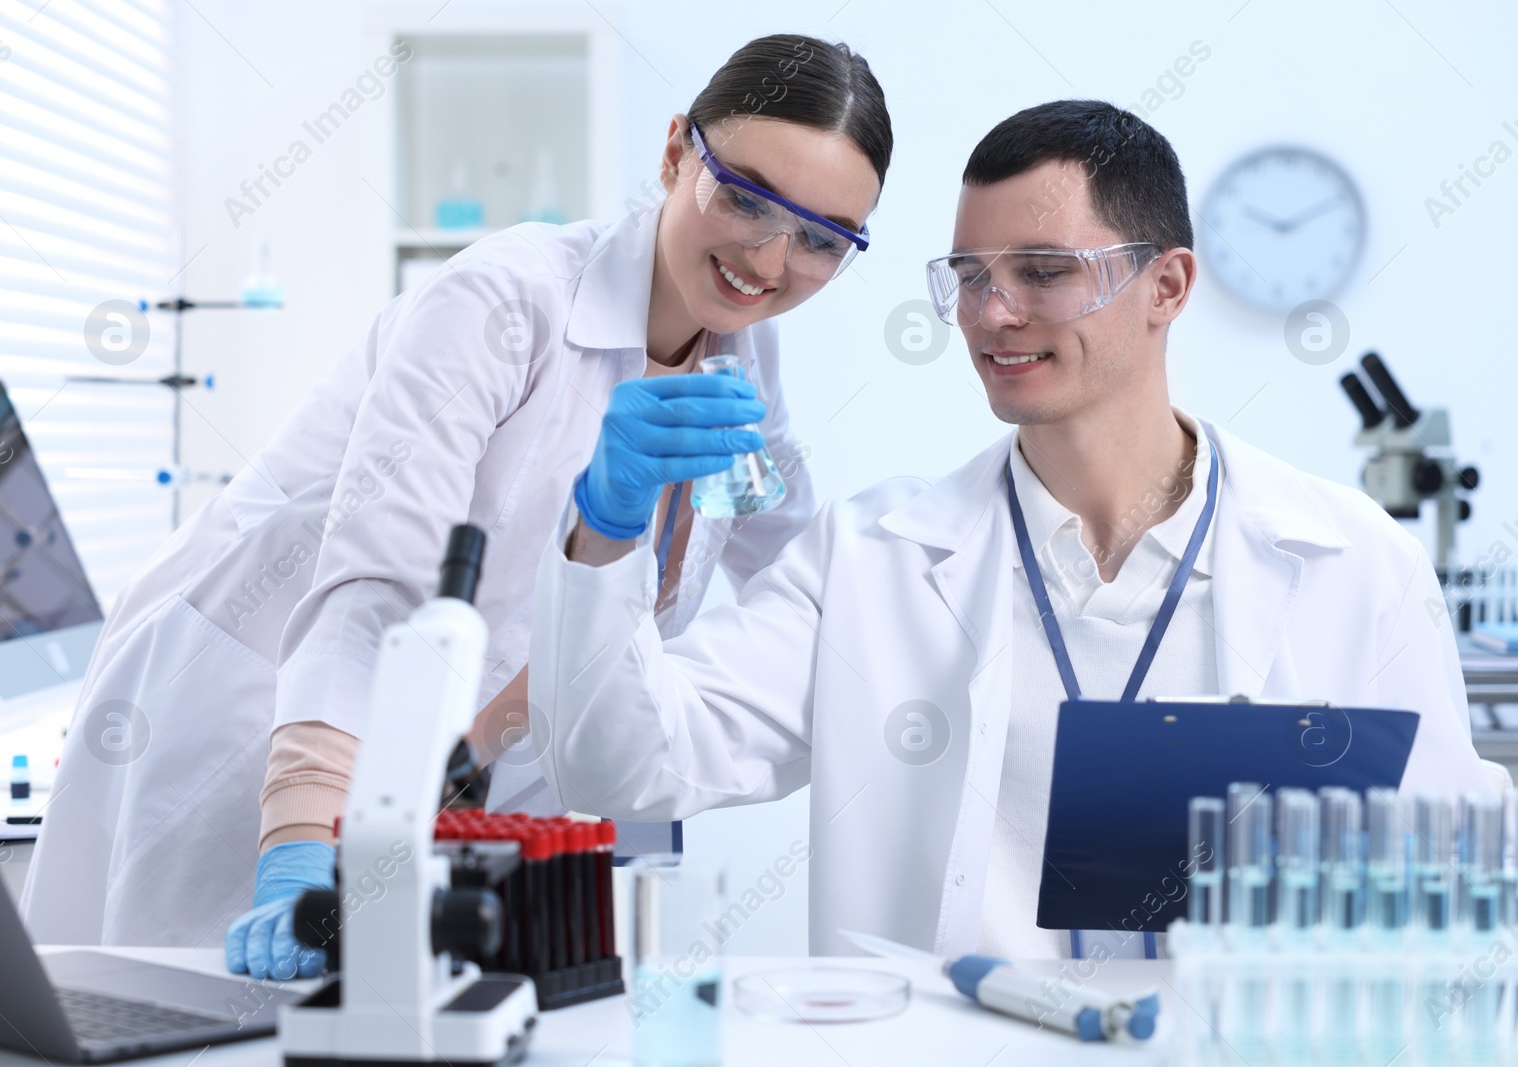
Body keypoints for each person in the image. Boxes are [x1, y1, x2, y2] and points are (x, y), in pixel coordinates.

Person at [531, 100, 1493, 961]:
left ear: (1167, 286)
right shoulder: (869, 559)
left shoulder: (1353, 560)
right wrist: (606, 533)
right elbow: (624, 763)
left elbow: (1452, 875)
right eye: (968, 274)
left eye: (1043, 271)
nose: (992, 313)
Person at [19, 34, 892, 979]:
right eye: (746, 198)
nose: (769, 256)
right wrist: (305, 838)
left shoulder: (742, 353)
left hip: (460, 771)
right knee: (186, 1017)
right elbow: (377, 581)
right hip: (263, 722)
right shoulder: (506, 301)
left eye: (821, 238)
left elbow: (802, 576)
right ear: (678, 152)